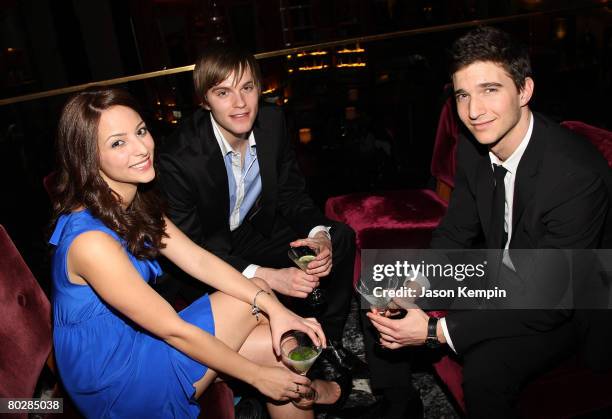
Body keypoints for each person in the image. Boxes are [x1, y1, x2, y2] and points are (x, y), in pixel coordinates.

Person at [49, 87, 346, 418]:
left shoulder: (134, 201)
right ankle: (303, 378)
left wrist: (278, 313)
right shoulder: (92, 243)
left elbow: (197, 259)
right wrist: (258, 377)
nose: (142, 148)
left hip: (140, 339)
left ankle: (296, 372)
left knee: (276, 348)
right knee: (257, 301)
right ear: (88, 158)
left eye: (141, 131)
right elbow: (172, 329)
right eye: (118, 143)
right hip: (117, 381)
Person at [366, 26, 612, 418]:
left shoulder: (575, 176)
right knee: (383, 282)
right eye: (463, 94)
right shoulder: (474, 146)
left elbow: (549, 300)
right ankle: (399, 403)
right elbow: (457, 230)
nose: (474, 111)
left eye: (490, 90)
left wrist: (433, 332)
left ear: (524, 91)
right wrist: (415, 286)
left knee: (485, 370)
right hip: (503, 271)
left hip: (567, 301)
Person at [156, 45, 359, 372]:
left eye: (247, 88)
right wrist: (267, 277)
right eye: (223, 92)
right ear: (205, 101)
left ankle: (329, 344)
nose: (240, 103)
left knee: (340, 237)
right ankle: (286, 344)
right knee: (263, 290)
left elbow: (292, 194)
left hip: (253, 229)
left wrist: (318, 235)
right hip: (205, 251)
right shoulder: (179, 158)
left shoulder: (272, 122)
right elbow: (192, 248)